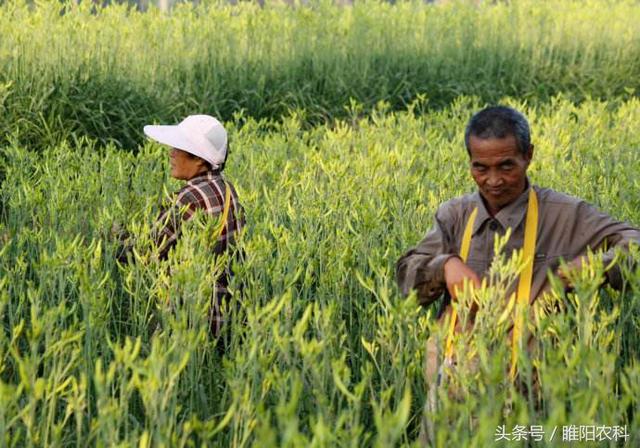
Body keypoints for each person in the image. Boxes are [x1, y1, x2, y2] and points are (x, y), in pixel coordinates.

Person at [395, 105, 639, 442]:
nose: (493, 181)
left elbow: (634, 245)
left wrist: (599, 265)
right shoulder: (454, 215)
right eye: (480, 168)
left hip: (533, 392)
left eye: (506, 166)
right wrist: (445, 266)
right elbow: (407, 274)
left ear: (528, 156)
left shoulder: (565, 214)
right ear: (470, 163)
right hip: (453, 390)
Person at [118, 114, 246, 338]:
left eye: (178, 148)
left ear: (198, 159)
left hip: (193, 317)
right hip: (228, 313)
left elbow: (147, 252)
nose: (171, 154)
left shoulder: (188, 198)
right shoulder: (227, 189)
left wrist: (112, 240)